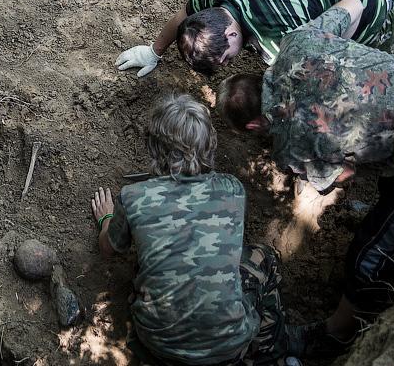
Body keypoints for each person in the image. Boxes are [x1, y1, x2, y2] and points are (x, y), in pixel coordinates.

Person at [217, 0, 394, 358]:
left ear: (255, 125)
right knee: (387, 163)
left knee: (368, 257)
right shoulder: (297, 41)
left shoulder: (290, 144)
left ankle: (335, 335)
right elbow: (353, 4)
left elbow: (342, 175)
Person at [90, 93, 291, 365]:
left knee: (143, 266)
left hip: (157, 343)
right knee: (265, 256)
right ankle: (272, 346)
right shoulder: (232, 189)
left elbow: (107, 248)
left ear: (153, 147)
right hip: (230, 348)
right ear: (210, 145)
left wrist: (106, 219)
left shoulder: (135, 196)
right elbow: (231, 239)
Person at [115, 0, 394, 77]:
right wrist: (154, 51)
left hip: (376, 12)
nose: (229, 64)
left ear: (230, 34)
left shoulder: (276, 38)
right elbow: (184, 15)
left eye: (226, 58)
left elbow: (311, 68)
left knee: (363, 75)